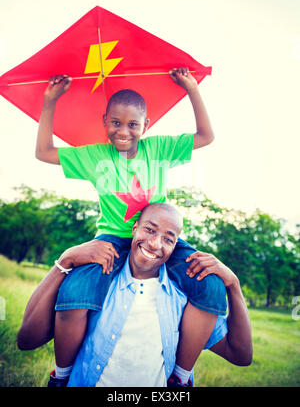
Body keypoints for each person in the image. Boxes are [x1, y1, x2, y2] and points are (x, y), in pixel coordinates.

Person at [33, 67, 227, 385]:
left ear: (146, 126)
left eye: (133, 124)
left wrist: (192, 88)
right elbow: (43, 153)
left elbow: (206, 137)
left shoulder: (160, 149)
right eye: (116, 123)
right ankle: (62, 374)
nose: (123, 131)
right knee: (77, 289)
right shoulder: (95, 156)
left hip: (158, 238)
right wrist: (50, 101)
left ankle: (180, 375)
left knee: (210, 286)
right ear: (105, 122)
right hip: (113, 239)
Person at [17, 203, 252, 387]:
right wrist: (66, 259)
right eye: (149, 230)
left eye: (168, 239)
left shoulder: (183, 300)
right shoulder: (95, 284)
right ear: (134, 229)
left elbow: (240, 355)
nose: (154, 243)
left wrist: (234, 286)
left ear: (175, 247)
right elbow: (27, 340)